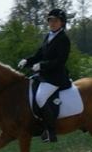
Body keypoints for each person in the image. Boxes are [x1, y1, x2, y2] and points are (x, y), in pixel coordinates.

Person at [18, 8, 72, 142]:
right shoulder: (49, 36)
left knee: (40, 97)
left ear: (62, 23)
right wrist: (28, 60)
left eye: (56, 21)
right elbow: (39, 55)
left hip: (56, 77)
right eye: (50, 20)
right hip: (45, 75)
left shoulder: (63, 39)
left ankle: (50, 131)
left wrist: (42, 65)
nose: (52, 23)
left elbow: (60, 61)